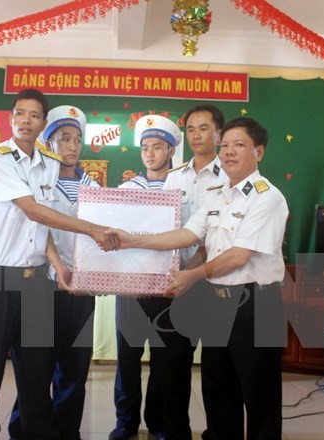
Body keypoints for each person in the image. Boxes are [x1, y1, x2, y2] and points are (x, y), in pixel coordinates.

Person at [106, 117, 289, 440]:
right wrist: (131, 240)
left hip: (255, 305)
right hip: (218, 303)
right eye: (226, 146)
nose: (229, 152)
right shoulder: (218, 195)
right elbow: (187, 234)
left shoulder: (267, 197)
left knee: (259, 394)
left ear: (258, 152)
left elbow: (238, 255)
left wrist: (191, 275)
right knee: (218, 389)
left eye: (240, 145)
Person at [0, 88, 117, 440]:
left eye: (33, 115)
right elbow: (33, 209)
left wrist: (57, 265)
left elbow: (41, 229)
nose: (25, 120)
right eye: (20, 113)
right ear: (11, 118)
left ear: (42, 123)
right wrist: (93, 229)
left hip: (36, 283)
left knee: (35, 375)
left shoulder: (49, 165)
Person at [7, 105, 98, 440]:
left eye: (76, 139)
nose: (71, 146)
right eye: (63, 139)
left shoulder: (95, 188)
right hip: (39, 290)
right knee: (35, 370)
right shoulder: (35, 182)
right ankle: (26, 430)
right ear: (47, 142)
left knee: (74, 368)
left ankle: (66, 431)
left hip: (81, 291)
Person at [109, 114, 181, 440]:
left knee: (164, 361)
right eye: (145, 148)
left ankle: (158, 422)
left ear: (171, 150)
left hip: (169, 288)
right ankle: (125, 422)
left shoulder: (183, 187)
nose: (150, 154)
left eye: (157, 147)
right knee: (128, 358)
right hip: (131, 288)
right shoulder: (127, 188)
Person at [159, 104, 227, 440]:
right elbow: (168, 227)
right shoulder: (175, 176)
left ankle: (217, 432)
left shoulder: (230, 174)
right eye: (191, 129)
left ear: (219, 133)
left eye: (204, 128)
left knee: (216, 367)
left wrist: (193, 267)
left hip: (215, 281)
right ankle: (175, 432)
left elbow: (218, 232)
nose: (197, 135)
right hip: (179, 282)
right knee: (174, 364)